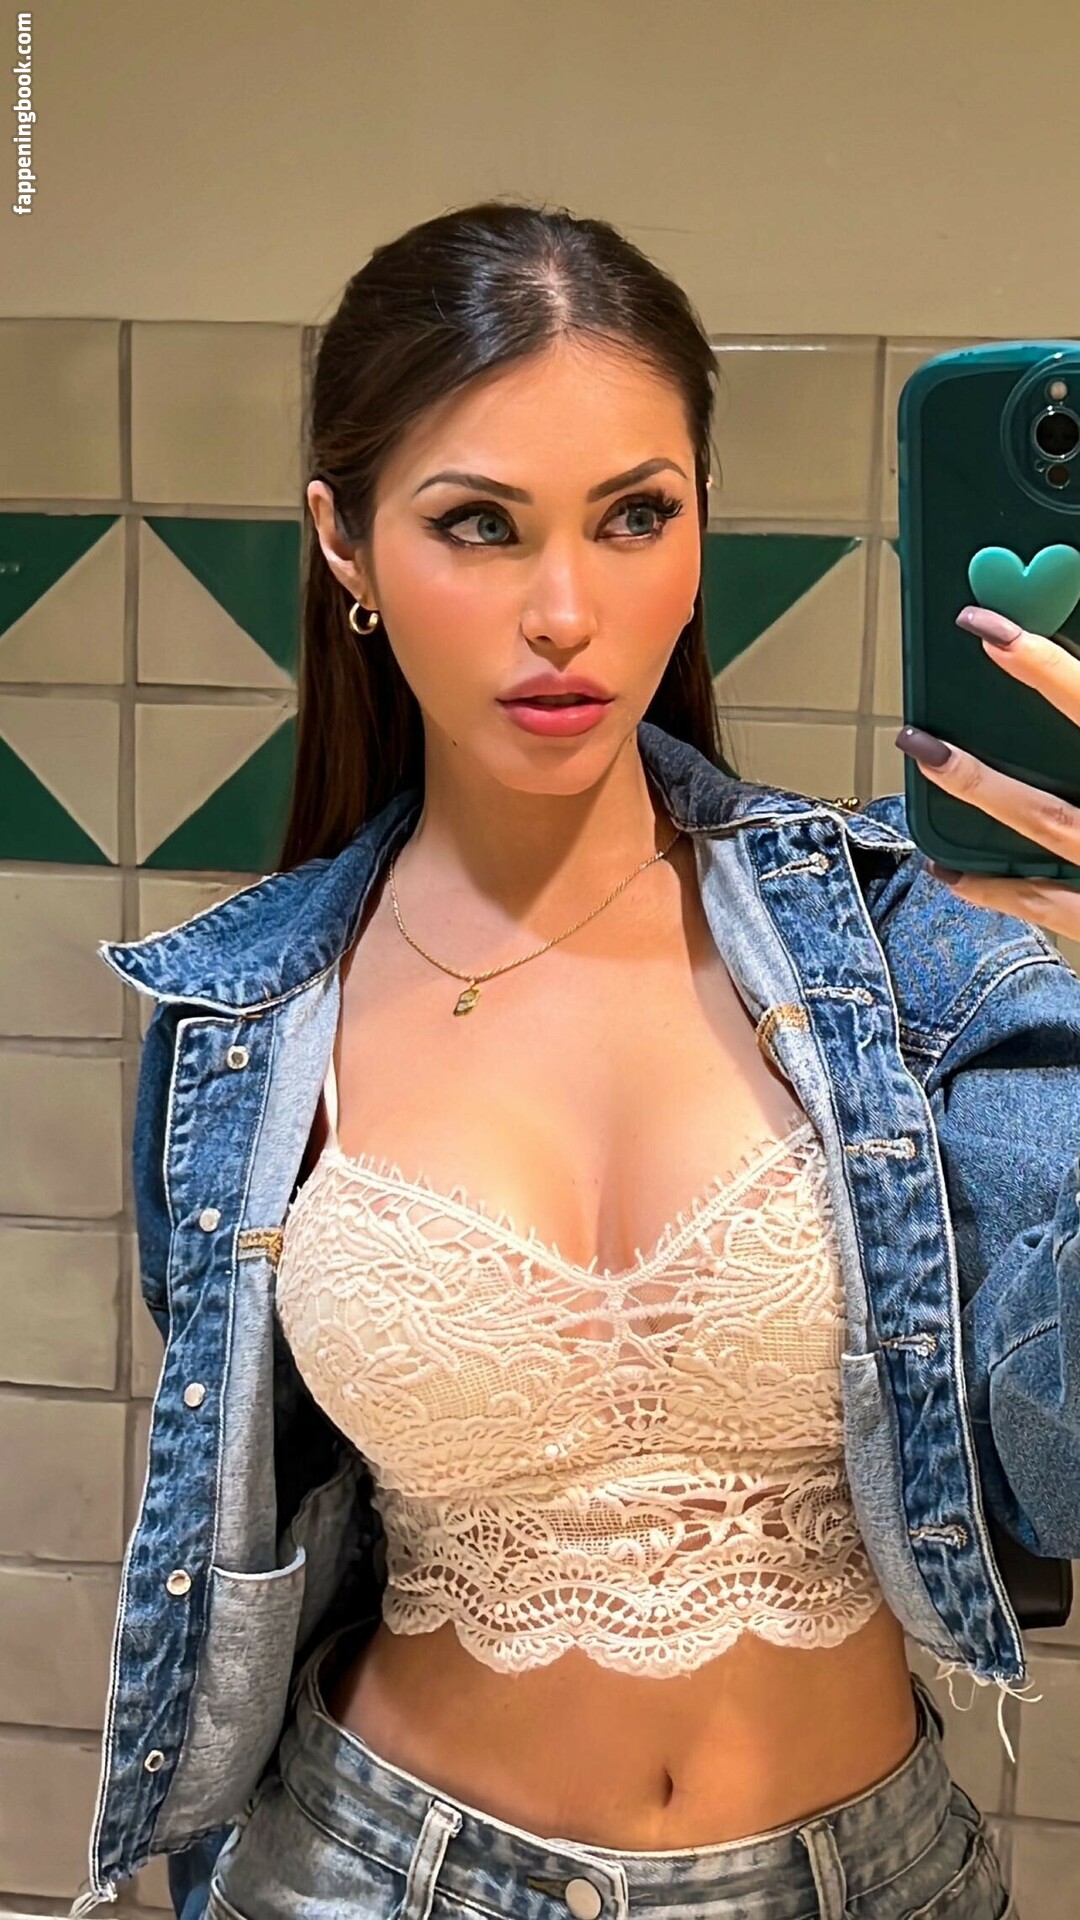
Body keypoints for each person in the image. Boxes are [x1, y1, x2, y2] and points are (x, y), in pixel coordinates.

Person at [72, 201, 1080, 1920]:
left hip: (868, 1880)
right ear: (343, 543)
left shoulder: (915, 952)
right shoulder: (241, 1026)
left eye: (635, 517)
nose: (566, 612)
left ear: (700, 525)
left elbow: (1056, 1471)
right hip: (370, 1870)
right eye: (478, 523)